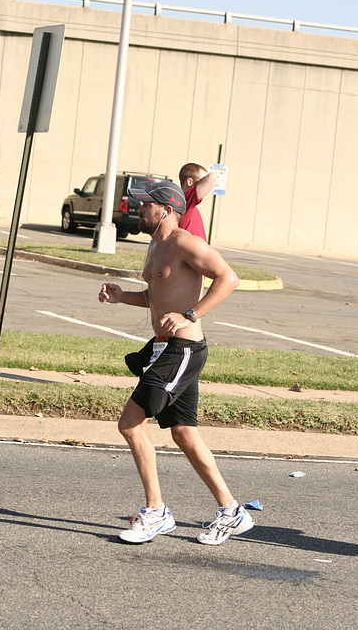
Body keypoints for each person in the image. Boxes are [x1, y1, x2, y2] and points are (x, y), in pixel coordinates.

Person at [98, 180, 254, 545]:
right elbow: (158, 295)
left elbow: (229, 278)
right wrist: (124, 298)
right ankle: (232, 512)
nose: (138, 209)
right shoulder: (156, 245)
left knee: (130, 425)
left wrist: (190, 315)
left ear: (166, 209)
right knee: (184, 434)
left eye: (145, 205)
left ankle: (156, 513)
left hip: (182, 350)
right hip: (164, 349)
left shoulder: (185, 242)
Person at [178, 162, 218, 241]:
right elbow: (212, 179)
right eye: (203, 180)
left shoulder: (188, 202)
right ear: (190, 182)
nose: (205, 183)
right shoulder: (184, 199)